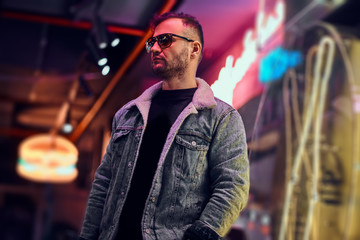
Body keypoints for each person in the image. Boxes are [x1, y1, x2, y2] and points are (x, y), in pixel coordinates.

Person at [79, 12, 249, 240]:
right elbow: (103, 184)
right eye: (152, 41)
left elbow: (233, 185)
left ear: (194, 49)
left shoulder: (221, 117)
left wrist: (203, 232)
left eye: (166, 40)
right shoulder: (128, 115)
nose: (154, 48)